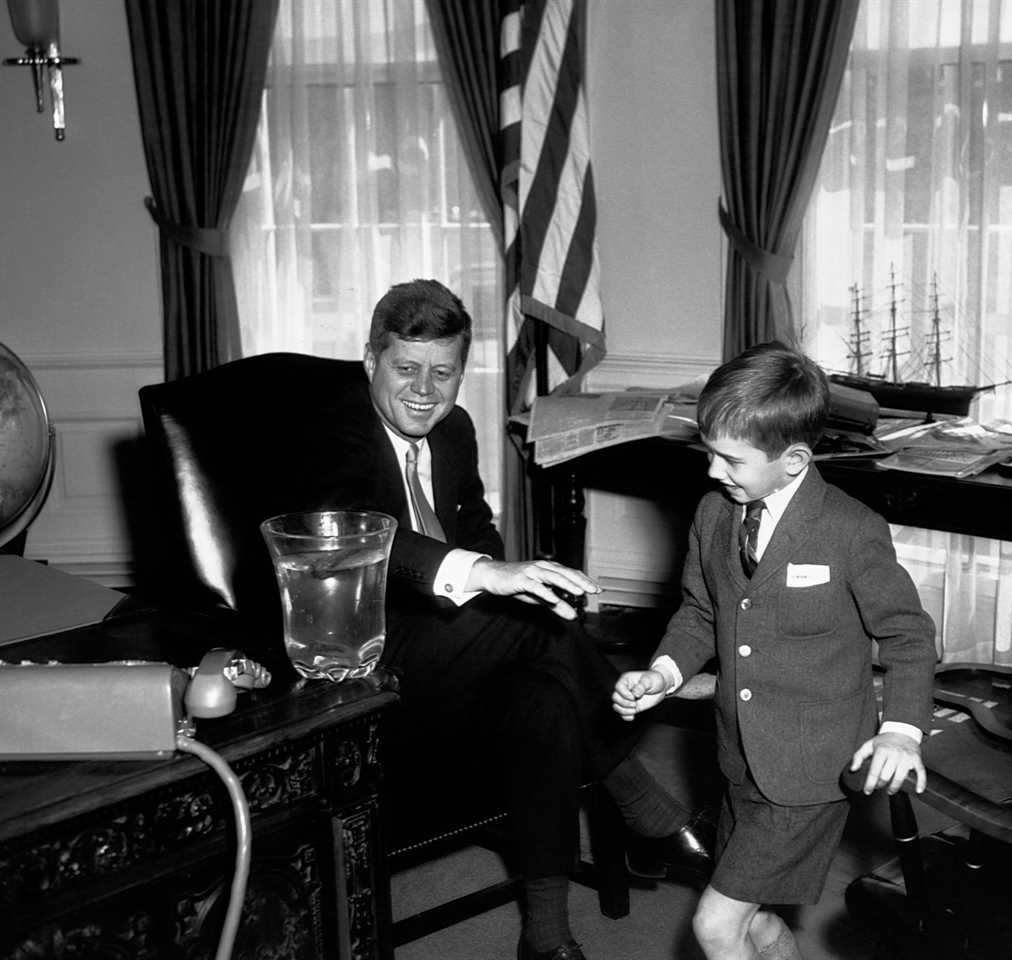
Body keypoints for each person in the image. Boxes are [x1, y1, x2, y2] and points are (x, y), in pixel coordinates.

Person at [298, 279, 711, 960]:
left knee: (544, 695)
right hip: (360, 652)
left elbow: (476, 529)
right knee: (535, 629)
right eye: (405, 368)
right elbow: (363, 536)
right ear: (370, 360)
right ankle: (638, 796)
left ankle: (545, 935)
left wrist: (504, 579)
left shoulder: (454, 430)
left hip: (454, 649)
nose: (424, 391)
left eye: (444, 372)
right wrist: (488, 578)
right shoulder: (332, 432)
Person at [612, 342, 937, 960]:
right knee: (754, 922)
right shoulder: (714, 514)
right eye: (709, 453)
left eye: (730, 460)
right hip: (739, 760)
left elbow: (909, 636)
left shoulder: (849, 529)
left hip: (811, 771)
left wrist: (901, 732)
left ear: (794, 460)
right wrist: (663, 672)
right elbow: (701, 612)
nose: (713, 472)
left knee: (716, 926)